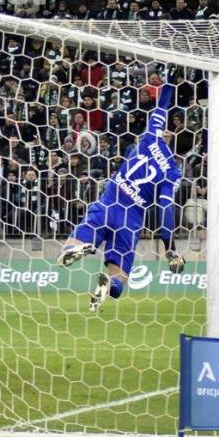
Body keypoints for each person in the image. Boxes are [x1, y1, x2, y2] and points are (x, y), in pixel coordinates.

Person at [57, 69, 185, 312]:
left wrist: (171, 78)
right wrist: (170, 249)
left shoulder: (150, 137)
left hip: (109, 201)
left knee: (70, 246)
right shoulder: (173, 173)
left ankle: (78, 248)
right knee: (120, 280)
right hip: (131, 219)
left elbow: (162, 105)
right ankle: (110, 284)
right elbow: (166, 209)